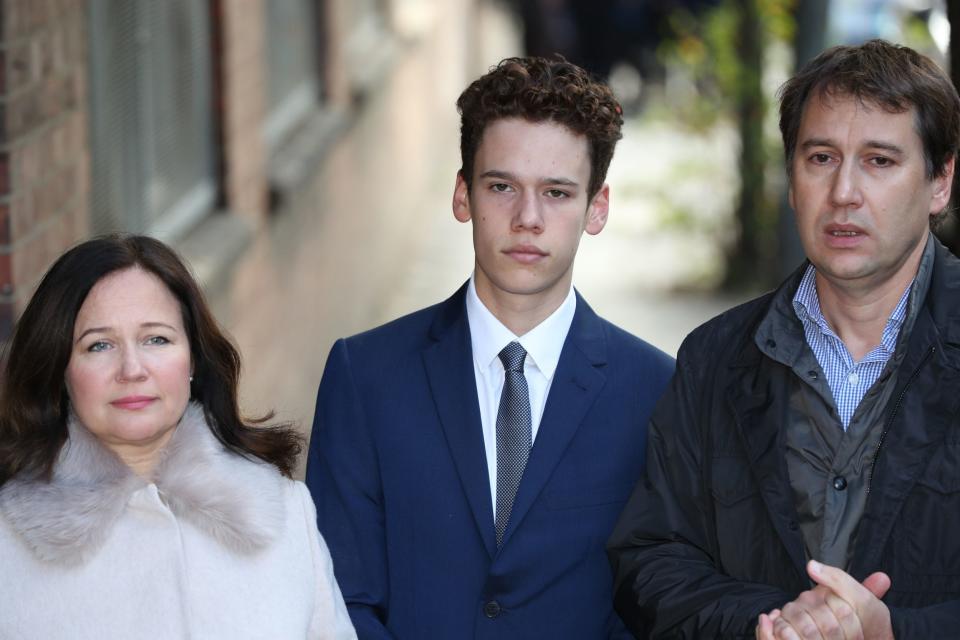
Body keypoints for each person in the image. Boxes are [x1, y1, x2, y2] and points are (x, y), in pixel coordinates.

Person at [306, 56, 674, 639]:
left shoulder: (658, 390)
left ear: (596, 208)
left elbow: (659, 602)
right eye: (502, 186)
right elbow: (337, 595)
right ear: (462, 196)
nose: (527, 219)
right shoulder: (365, 375)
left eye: (556, 193)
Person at [607, 39, 960, 639]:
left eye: (879, 160)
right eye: (821, 157)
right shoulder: (714, 358)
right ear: (792, 178)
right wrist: (766, 624)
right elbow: (652, 563)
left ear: (940, 182)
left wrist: (894, 631)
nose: (844, 193)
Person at [0, 235, 357, 639]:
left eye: (157, 339)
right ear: (60, 370)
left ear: (193, 360)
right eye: (99, 345)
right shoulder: (7, 540)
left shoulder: (288, 515)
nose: (132, 369)